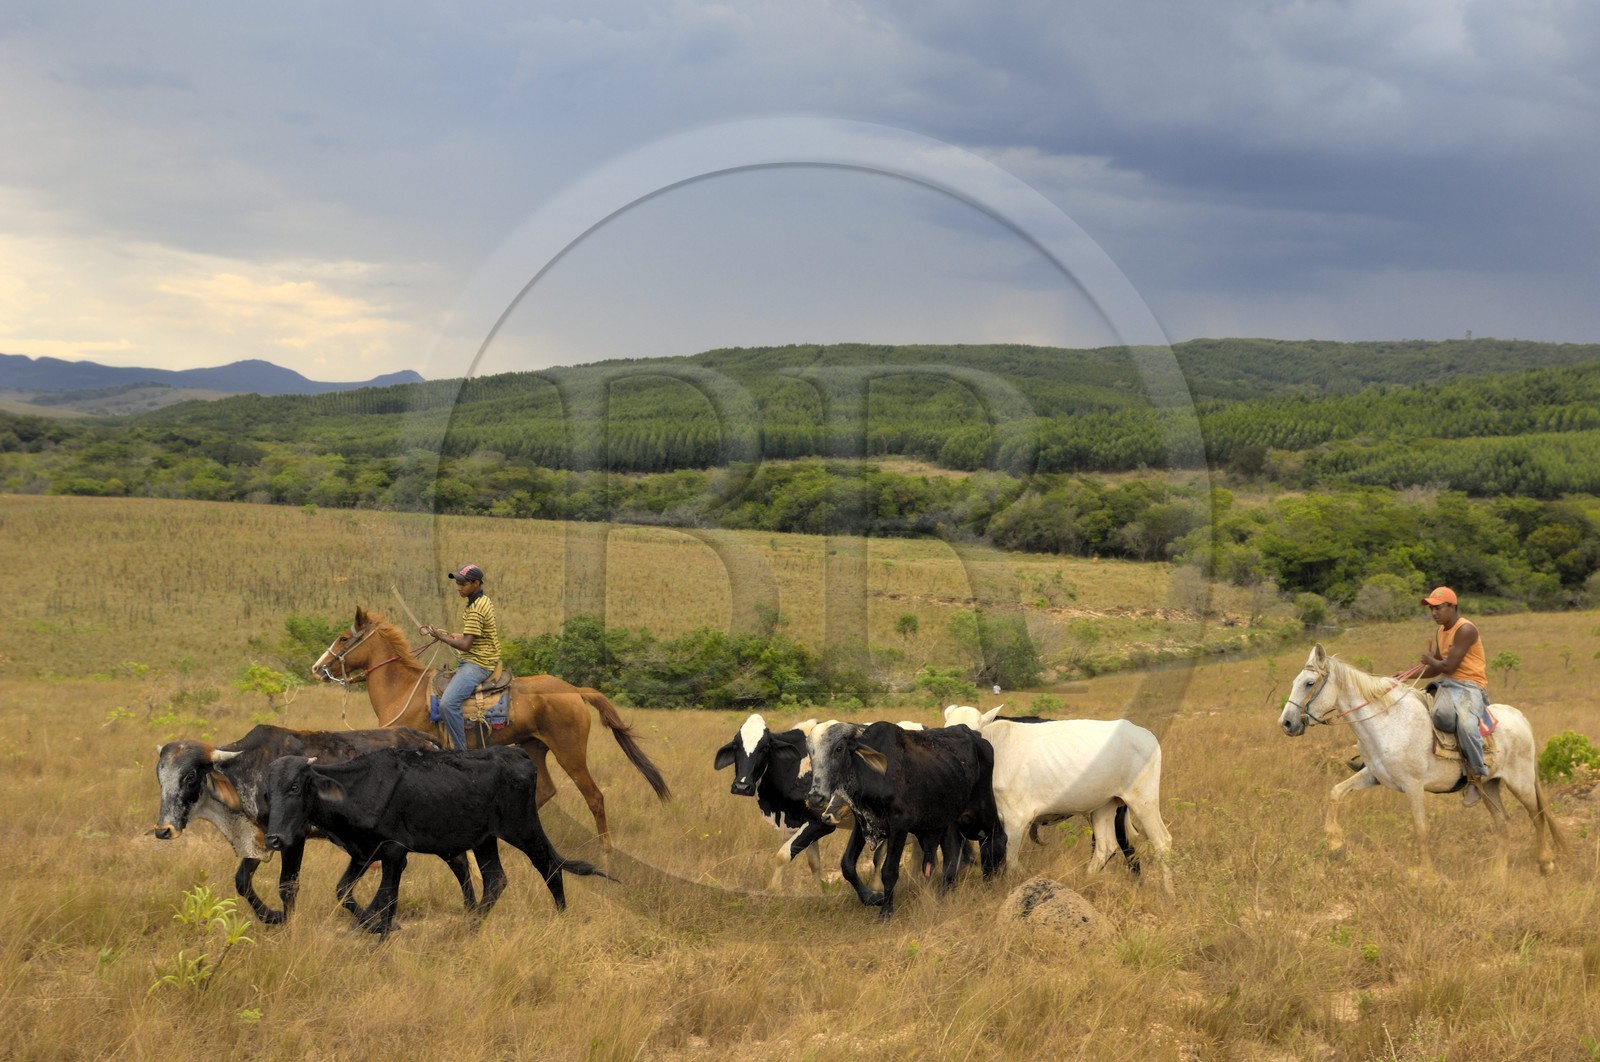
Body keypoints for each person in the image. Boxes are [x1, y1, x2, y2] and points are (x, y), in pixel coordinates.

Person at [1414, 585, 1493, 805]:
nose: (1434, 613)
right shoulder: (1441, 631)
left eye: (1438, 608)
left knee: (1467, 724)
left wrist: (1430, 660)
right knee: (1423, 710)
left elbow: (1448, 665)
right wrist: (1406, 675)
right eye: (1431, 609)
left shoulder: (1465, 629)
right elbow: (1437, 669)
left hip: (1471, 687)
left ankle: (1476, 778)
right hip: (1447, 685)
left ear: (1452, 607)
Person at [419, 563, 501, 751]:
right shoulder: (481, 600)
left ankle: (460, 751)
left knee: (447, 704)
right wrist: (456, 635)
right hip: (483, 655)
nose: (458, 587)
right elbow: (474, 635)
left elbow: (465, 645)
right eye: (457, 583)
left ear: (476, 583)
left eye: (463, 584)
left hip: (478, 663)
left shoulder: (476, 609)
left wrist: (442, 637)